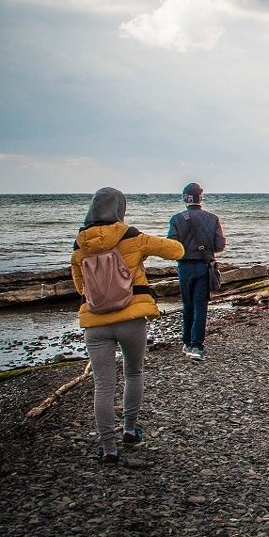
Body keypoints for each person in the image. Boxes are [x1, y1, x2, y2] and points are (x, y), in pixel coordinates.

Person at [70, 187, 184, 464]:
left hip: (95, 323)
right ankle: (130, 429)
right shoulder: (132, 237)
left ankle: (109, 448)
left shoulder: (79, 246)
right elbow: (177, 251)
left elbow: (79, 286)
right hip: (131, 318)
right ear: (120, 210)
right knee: (134, 373)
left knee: (103, 385)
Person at [168, 182, 226, 359]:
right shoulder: (212, 218)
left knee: (188, 305)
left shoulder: (177, 219)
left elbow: (172, 245)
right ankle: (197, 346)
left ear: (185, 198)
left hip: (184, 266)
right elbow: (219, 245)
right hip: (204, 266)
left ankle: (186, 342)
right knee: (201, 305)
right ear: (201, 198)